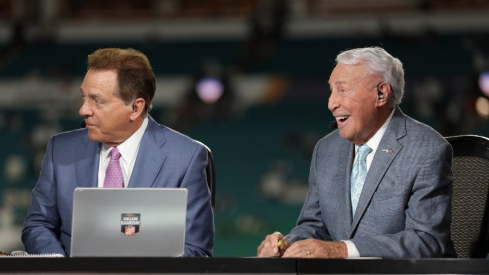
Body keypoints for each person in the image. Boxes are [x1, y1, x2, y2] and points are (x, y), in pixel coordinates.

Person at [257, 46, 456, 258]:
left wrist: (342, 250)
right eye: (331, 91)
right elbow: (315, 226)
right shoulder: (326, 150)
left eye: (342, 90)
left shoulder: (426, 149)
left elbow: (426, 242)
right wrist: (286, 244)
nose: (331, 103)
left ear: (381, 93)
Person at [22, 48, 214, 257]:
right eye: (84, 97)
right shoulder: (60, 149)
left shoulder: (186, 157)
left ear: (135, 108)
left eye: (97, 101)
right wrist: (59, 267)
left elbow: (196, 250)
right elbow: (38, 224)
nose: (84, 110)